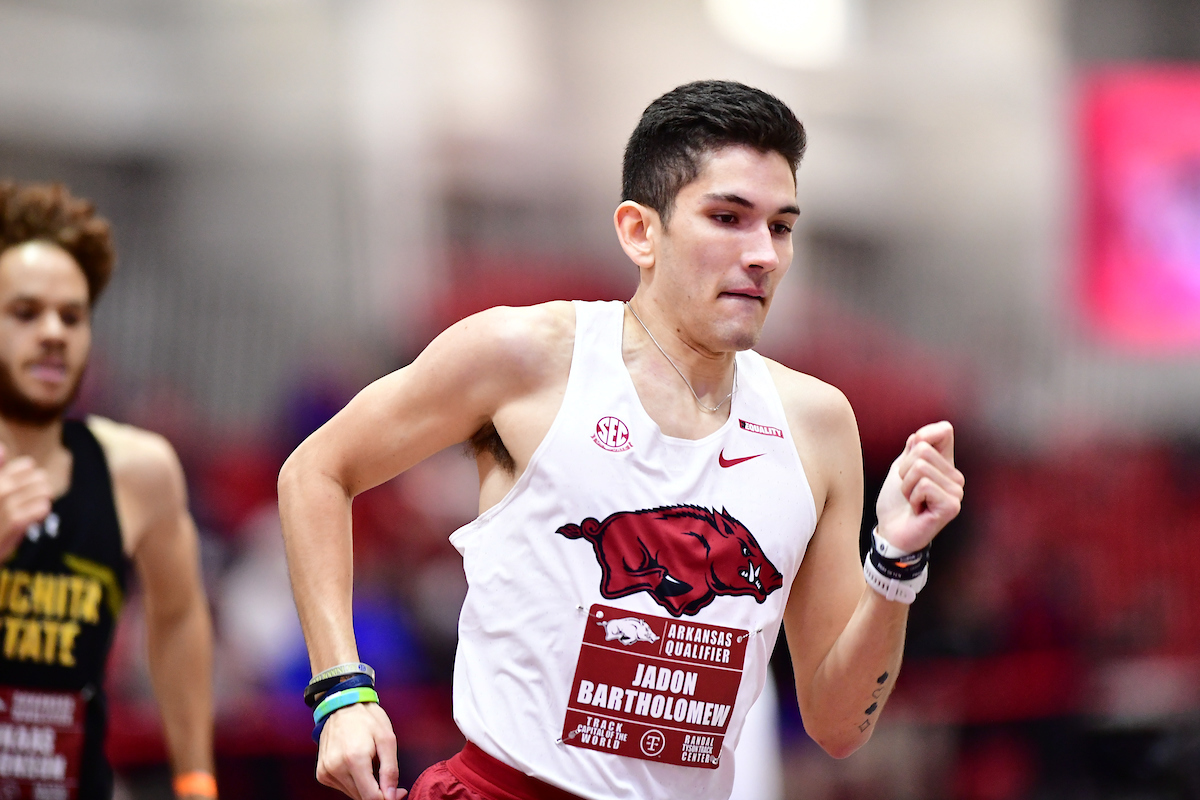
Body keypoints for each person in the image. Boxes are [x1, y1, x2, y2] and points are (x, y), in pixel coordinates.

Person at [279, 80, 964, 800]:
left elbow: (837, 724)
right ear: (640, 231)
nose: (763, 253)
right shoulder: (527, 357)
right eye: (728, 217)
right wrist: (341, 694)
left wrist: (895, 564)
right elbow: (316, 471)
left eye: (781, 226)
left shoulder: (818, 424)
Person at [0, 182, 216, 799]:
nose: (53, 333)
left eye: (72, 316)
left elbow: (177, 618)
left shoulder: (137, 470)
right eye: (25, 312)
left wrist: (195, 778)